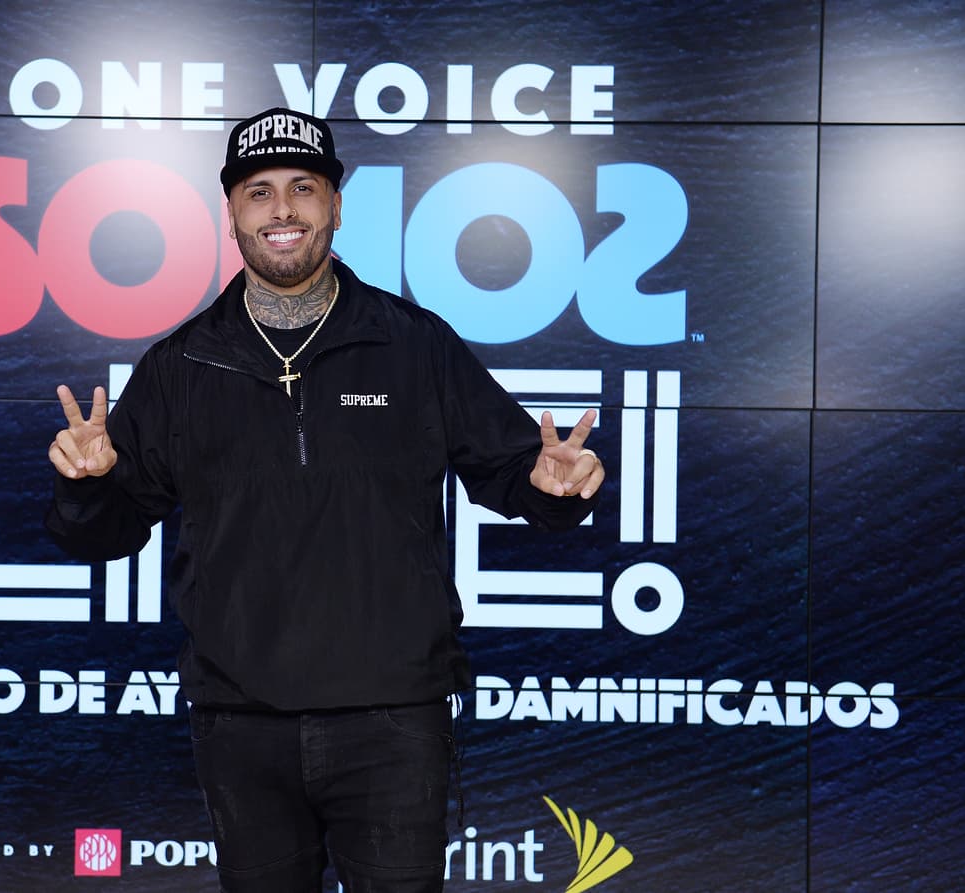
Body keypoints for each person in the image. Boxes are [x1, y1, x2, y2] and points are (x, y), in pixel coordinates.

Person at [46, 107, 605, 892]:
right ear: (232, 214)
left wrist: (555, 487)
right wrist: (87, 483)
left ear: (336, 207)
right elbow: (103, 533)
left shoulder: (413, 344)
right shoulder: (183, 364)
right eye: (259, 191)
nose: (283, 210)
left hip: (393, 722)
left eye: (304, 188)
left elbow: (516, 473)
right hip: (240, 723)